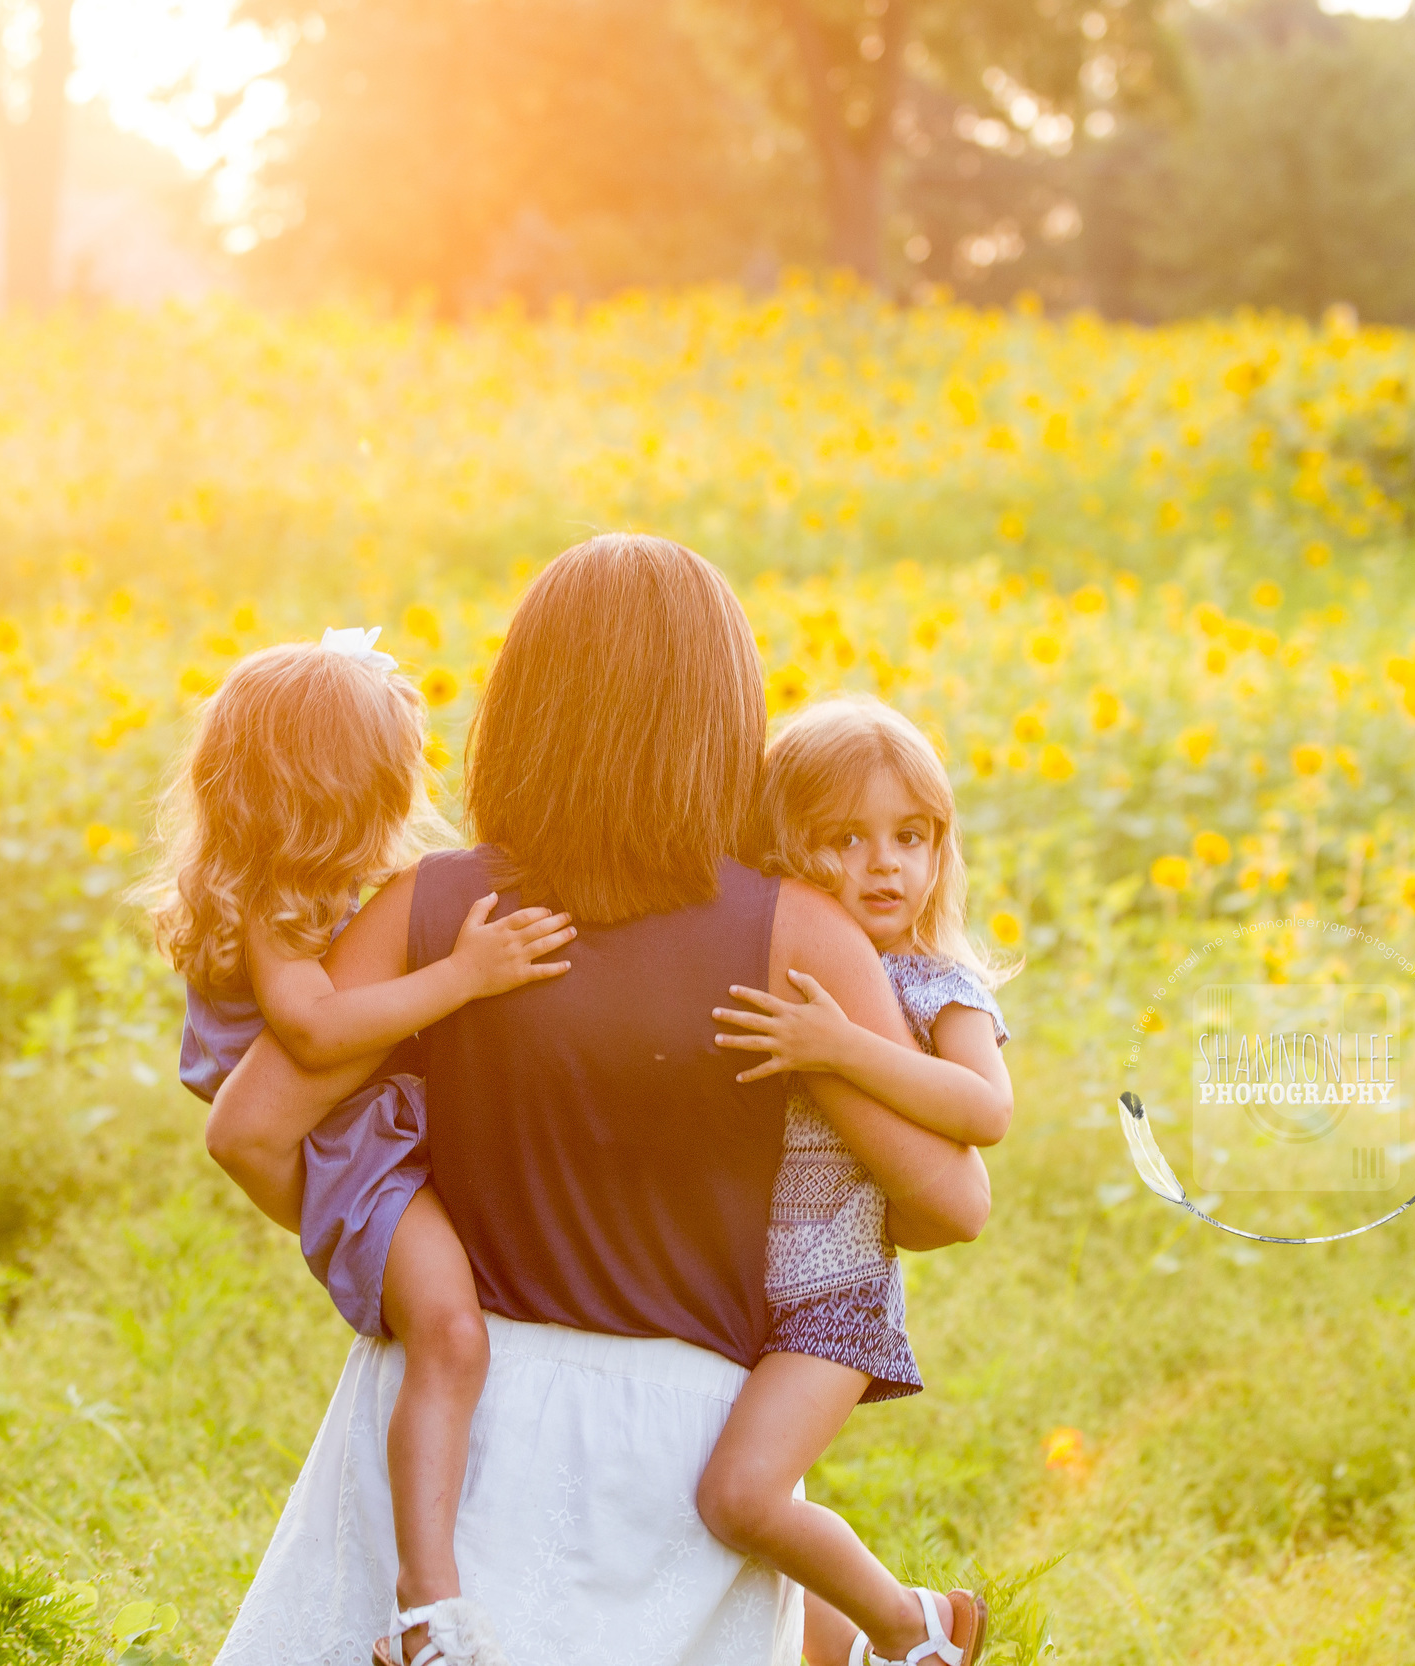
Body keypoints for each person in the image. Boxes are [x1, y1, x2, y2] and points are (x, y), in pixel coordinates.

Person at [203, 534, 994, 1666]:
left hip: (444, 1425)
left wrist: (396, 1259)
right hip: (673, 1444)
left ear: (522, 707)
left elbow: (250, 1129)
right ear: (725, 722)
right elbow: (946, 1206)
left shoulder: (438, 909)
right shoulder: (790, 931)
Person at [142, 629, 576, 1666]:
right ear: (335, 790)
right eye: (393, 771)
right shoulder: (277, 902)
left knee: (469, 1331)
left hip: (376, 1142)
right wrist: (465, 976)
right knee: (451, 1334)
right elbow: (316, 1032)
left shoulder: (331, 881)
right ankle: (425, 1607)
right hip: (356, 1160)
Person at [699, 696, 1020, 1666]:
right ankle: (830, 1648)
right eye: (846, 837)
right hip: (738, 1291)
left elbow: (983, 1108)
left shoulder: (936, 983)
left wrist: (841, 1048)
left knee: (741, 1495)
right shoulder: (769, 958)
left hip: (833, 1299)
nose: (885, 863)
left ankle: (912, 1624)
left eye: (910, 836)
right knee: (737, 1506)